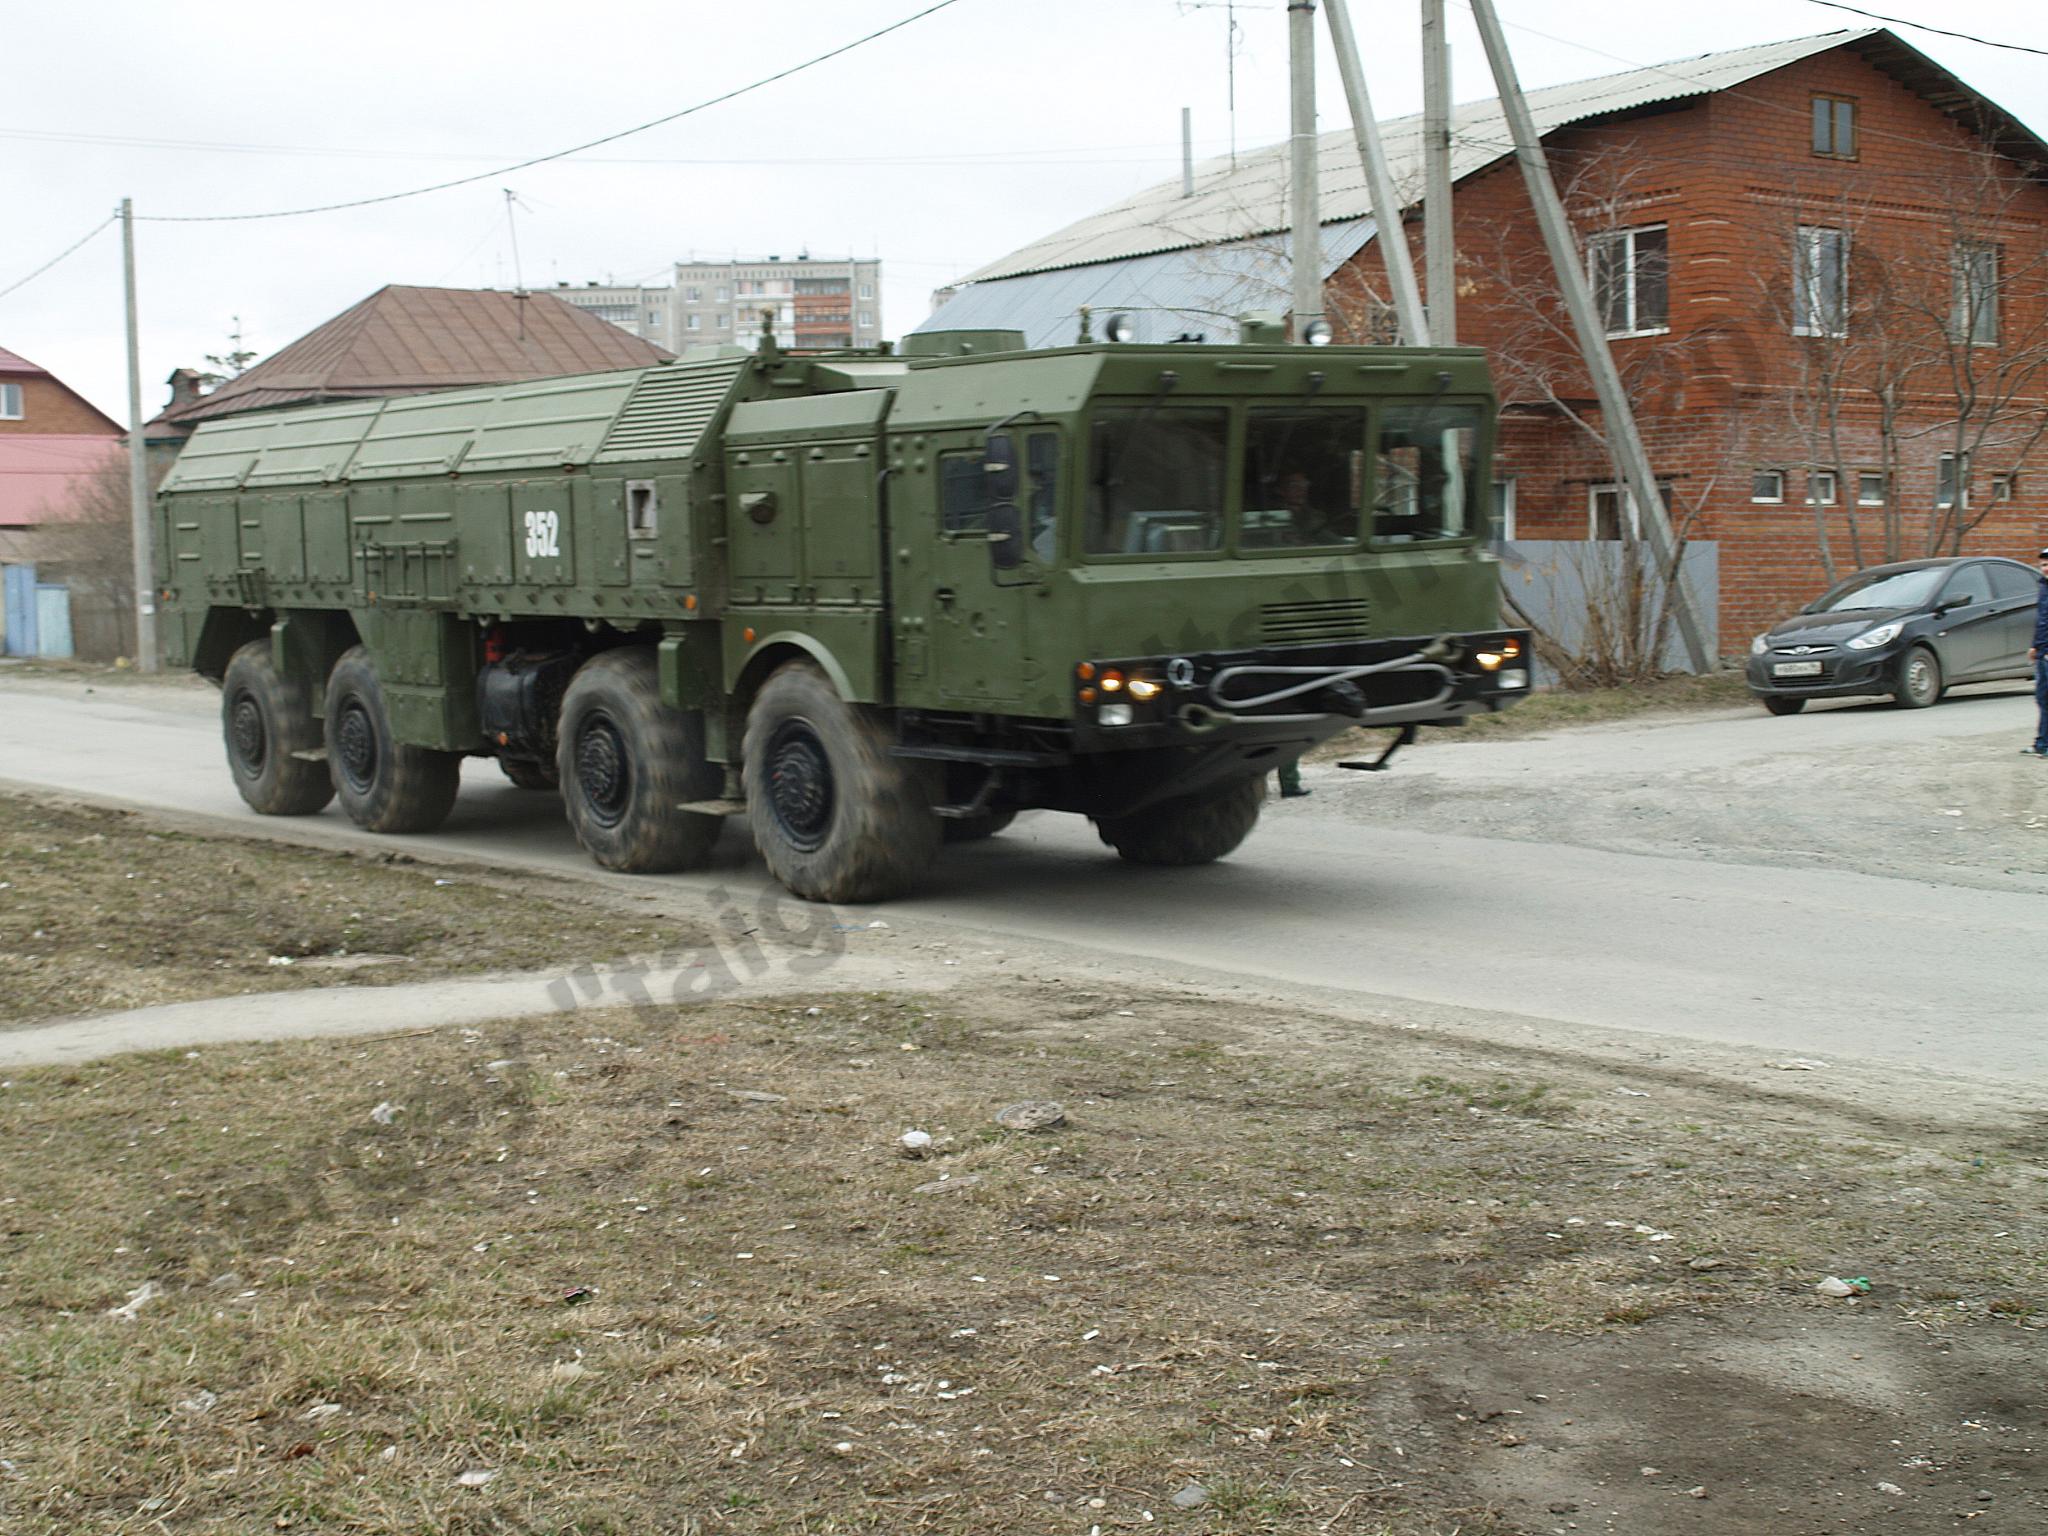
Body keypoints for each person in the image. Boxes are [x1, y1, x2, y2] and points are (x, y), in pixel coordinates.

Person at [2026, 547, 2048, 759]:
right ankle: (2042, 743)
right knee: (2043, 698)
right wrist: (2036, 646)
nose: (2045, 568)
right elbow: (2041, 621)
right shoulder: (2043, 586)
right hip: (2043, 650)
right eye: (2043, 564)